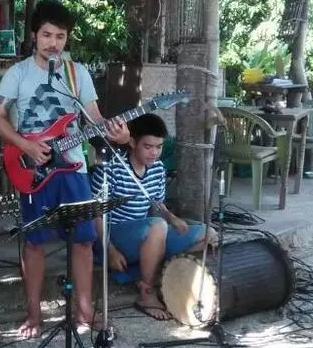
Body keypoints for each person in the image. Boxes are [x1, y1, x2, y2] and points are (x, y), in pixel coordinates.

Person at [0, 0, 129, 339]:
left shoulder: (77, 73)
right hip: (32, 168)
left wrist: (118, 133)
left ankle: (84, 310)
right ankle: (33, 314)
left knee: (83, 240)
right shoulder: (18, 73)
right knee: (34, 243)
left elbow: (94, 119)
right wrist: (25, 145)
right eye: (47, 35)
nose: (53, 43)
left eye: (60, 36)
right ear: (34, 36)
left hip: (74, 167)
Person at [89, 113, 217, 321]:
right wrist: (110, 250)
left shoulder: (157, 168)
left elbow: (156, 203)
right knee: (158, 226)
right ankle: (146, 293)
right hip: (114, 237)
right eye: (148, 147)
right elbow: (95, 213)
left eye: (159, 147)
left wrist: (171, 216)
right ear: (132, 143)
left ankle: (161, 279)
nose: (154, 153)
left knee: (208, 234)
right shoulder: (111, 168)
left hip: (148, 233)